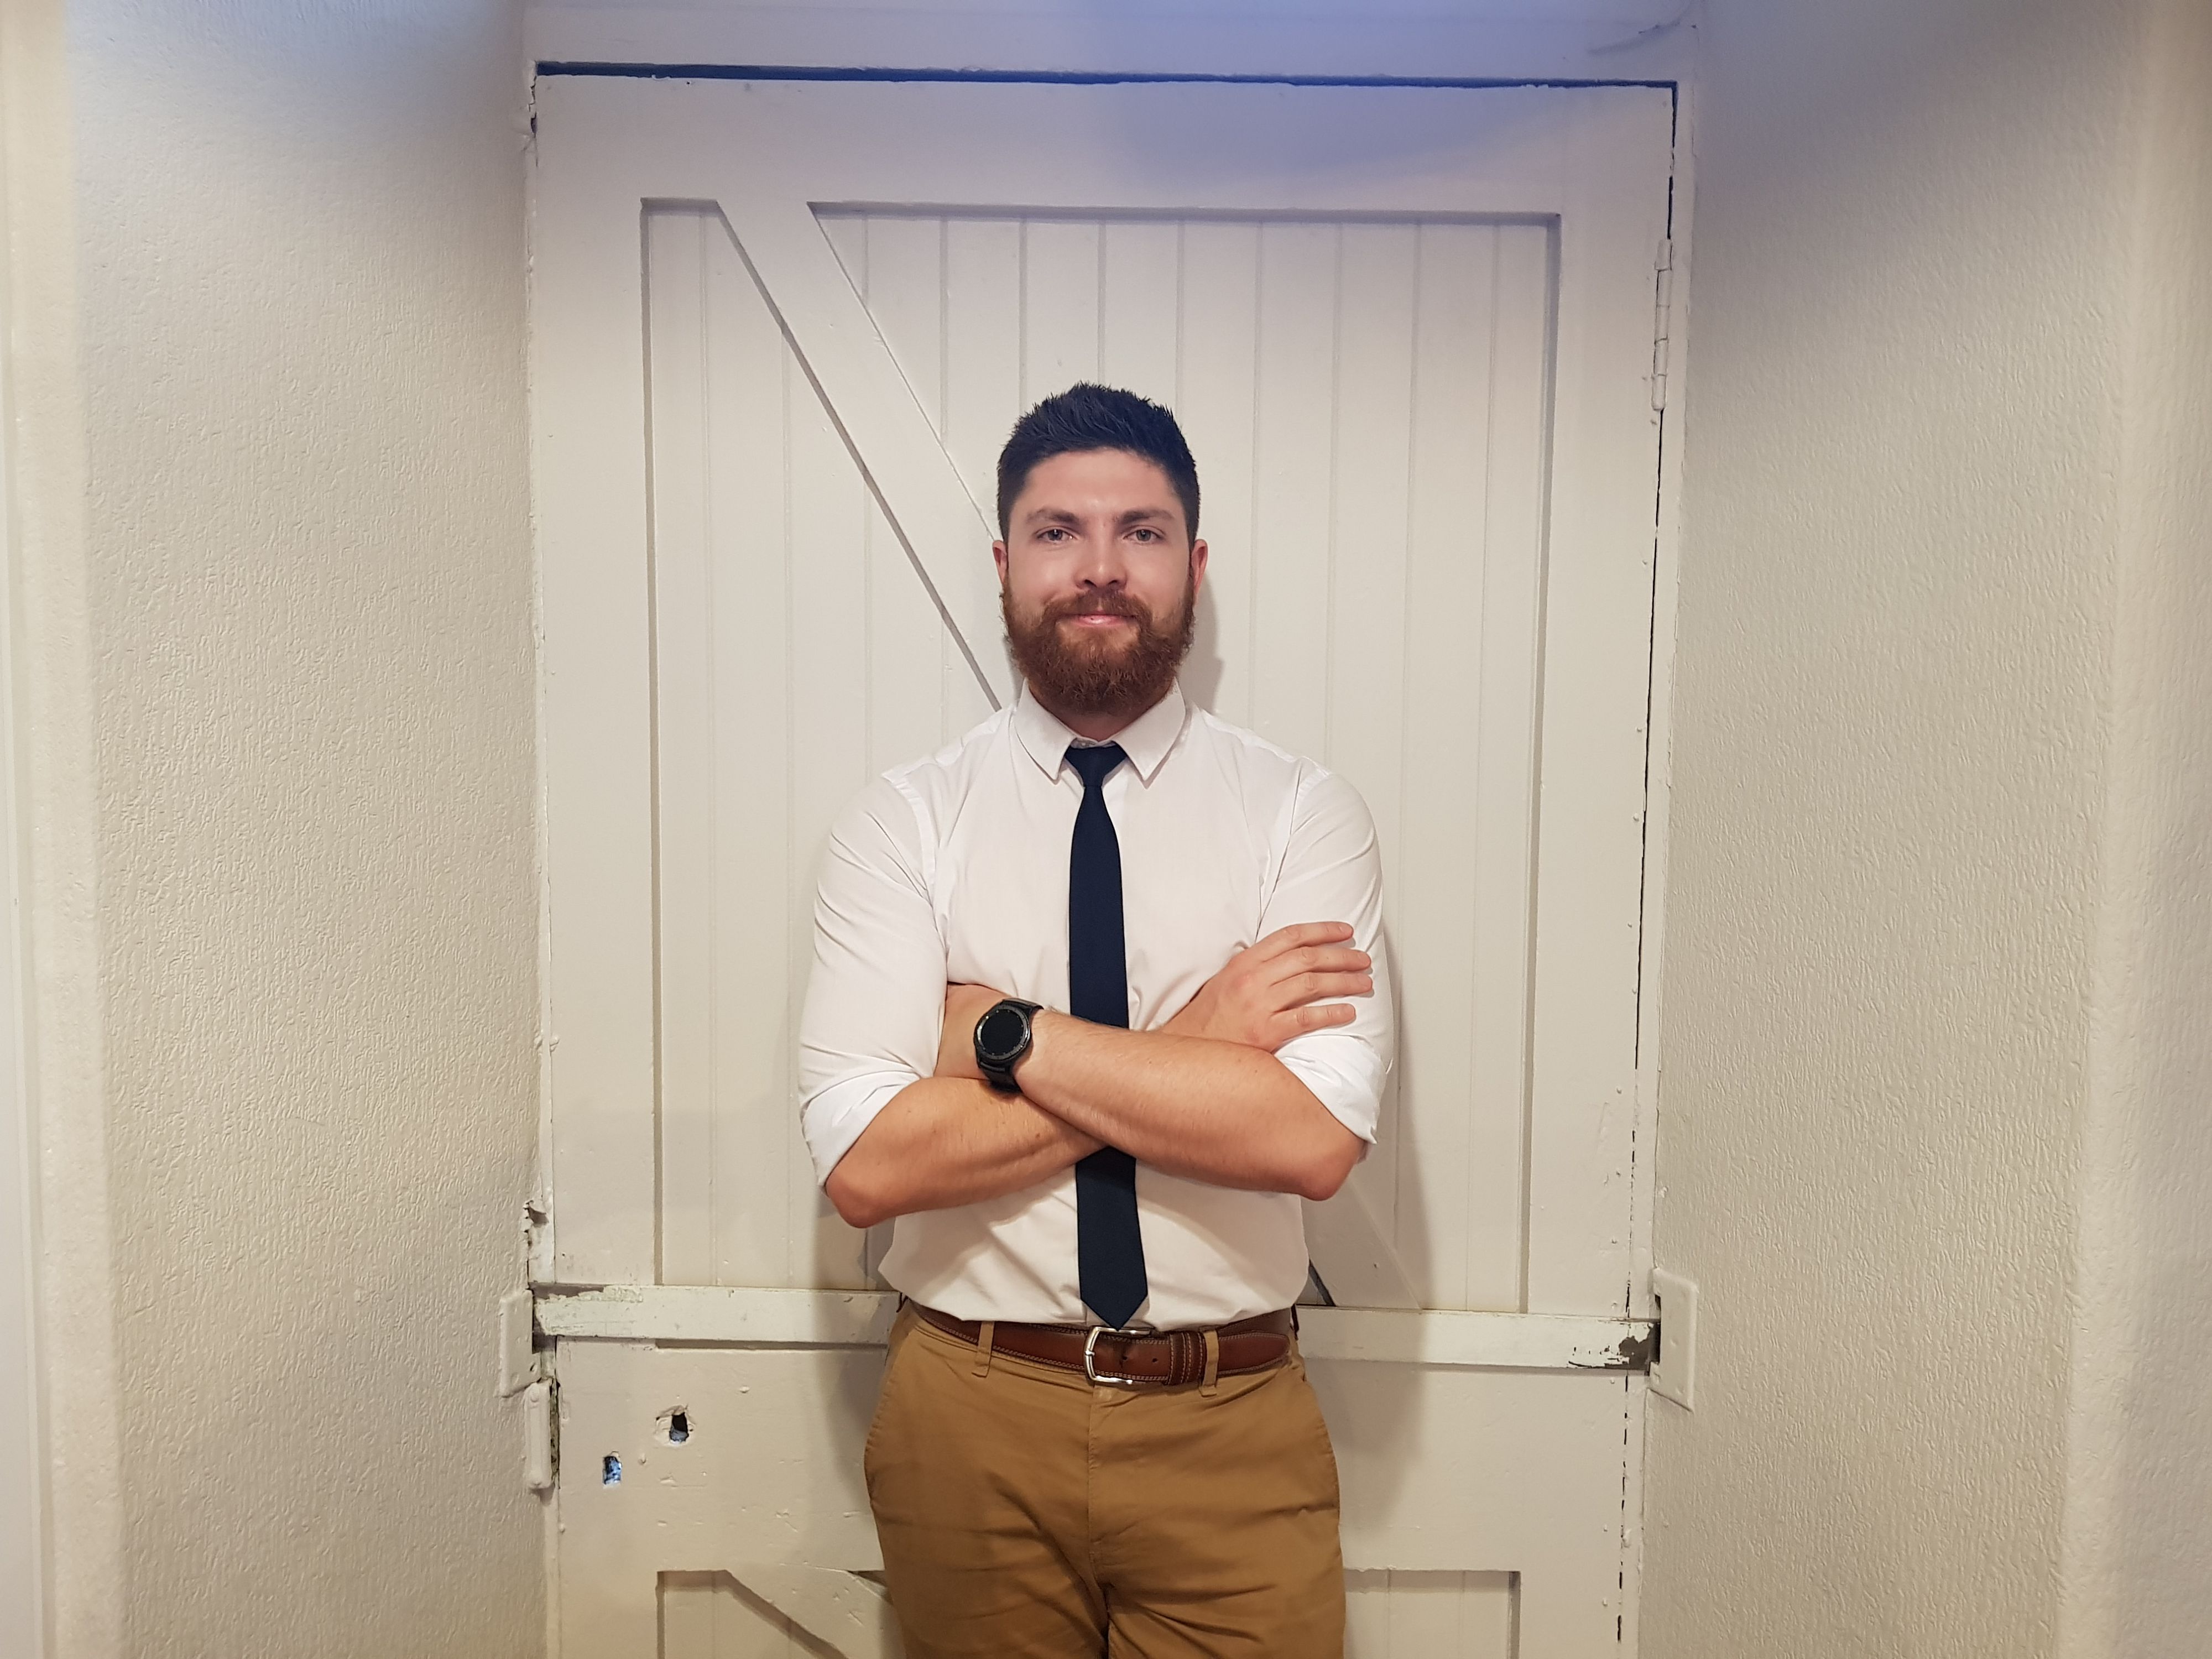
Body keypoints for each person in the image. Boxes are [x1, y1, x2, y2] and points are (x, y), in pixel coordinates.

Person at [798, 382, 1394, 1658]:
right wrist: (1206, 1042)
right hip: (970, 1408)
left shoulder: (1302, 815)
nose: (1101, 568)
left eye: (1142, 530)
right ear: (1007, 563)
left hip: (1229, 1416)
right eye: (1059, 532)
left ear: (1194, 563)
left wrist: (1001, 1036)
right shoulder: (902, 823)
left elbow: (1309, 1142)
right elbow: (866, 1168)